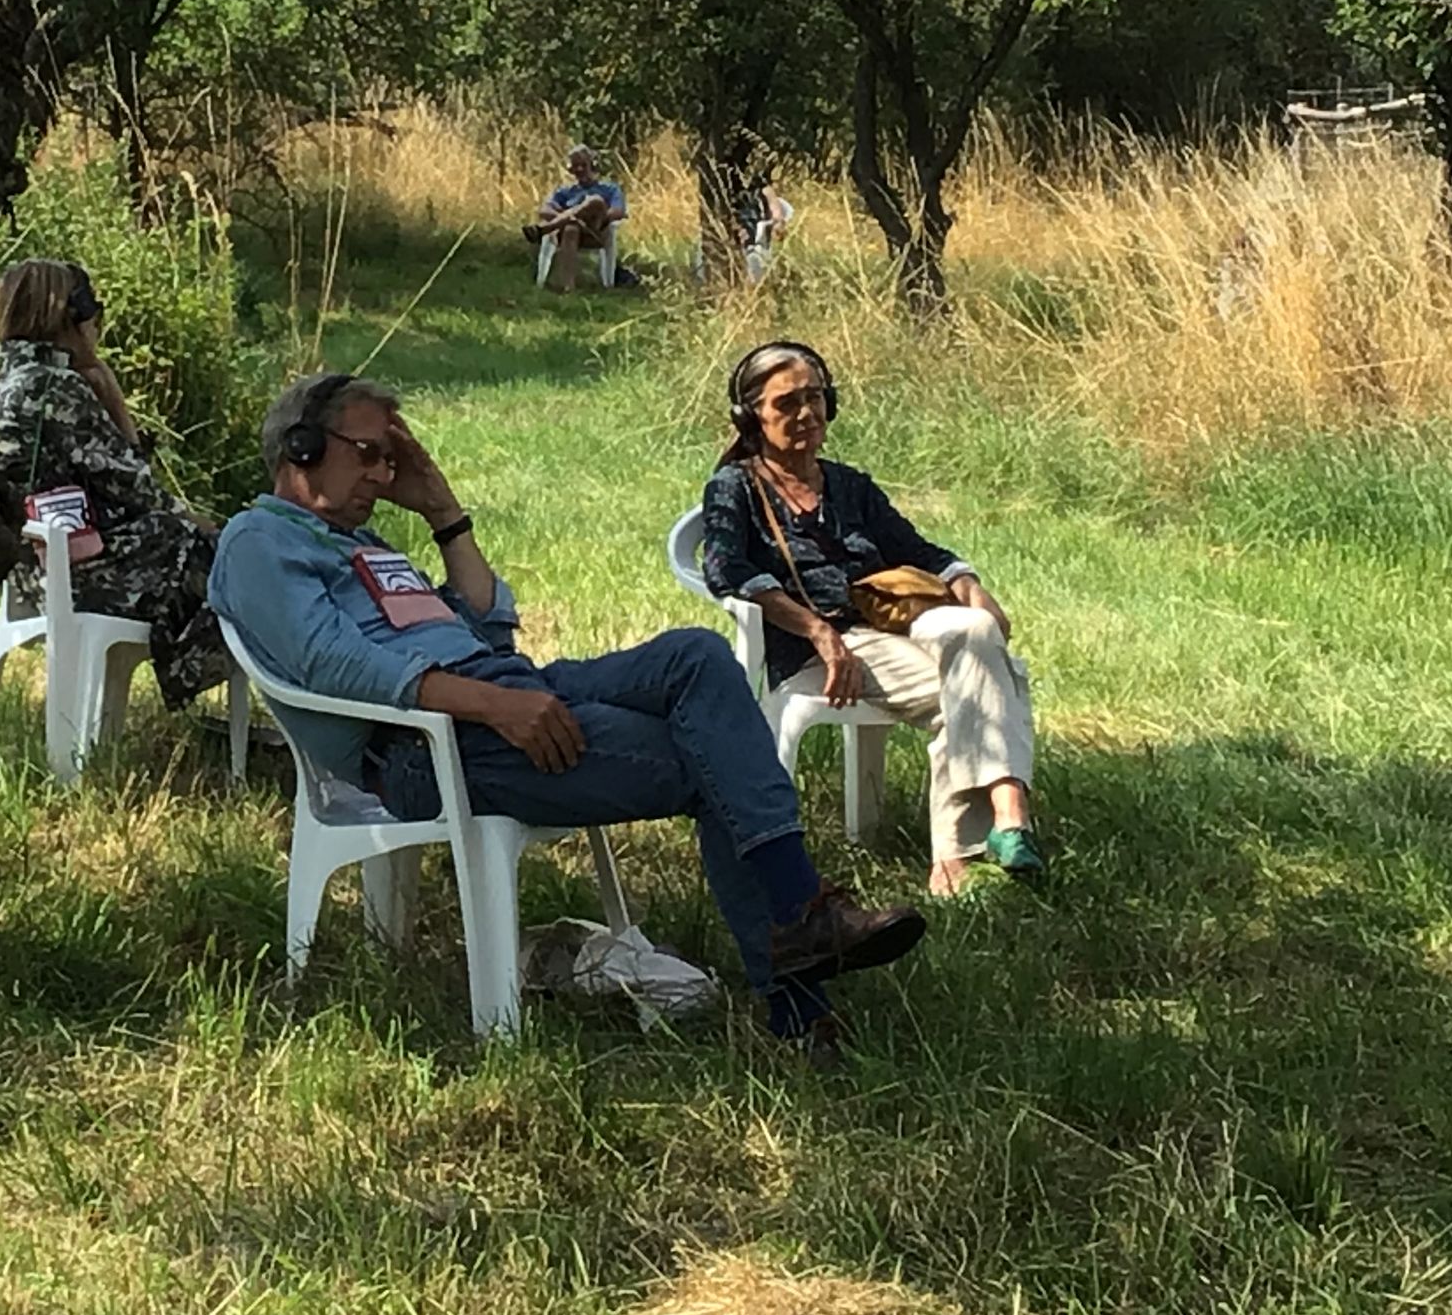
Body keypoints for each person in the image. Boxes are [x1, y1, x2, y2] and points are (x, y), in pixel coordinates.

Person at [209, 371, 928, 1049]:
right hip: (425, 747)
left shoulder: (362, 543)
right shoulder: (258, 540)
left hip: (501, 688)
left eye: (389, 460)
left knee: (695, 658)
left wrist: (444, 514)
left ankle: (800, 931)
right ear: (301, 450)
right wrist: (493, 705)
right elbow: (334, 662)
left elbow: (487, 627)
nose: (380, 475)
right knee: (715, 756)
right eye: (369, 455)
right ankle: (799, 989)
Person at [698, 341, 1043, 895]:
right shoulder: (736, 487)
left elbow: (918, 551)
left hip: (891, 622)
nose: (806, 414)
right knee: (987, 684)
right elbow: (724, 570)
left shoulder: (849, 485)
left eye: (815, 399)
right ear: (752, 416)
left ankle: (1006, 820)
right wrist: (819, 632)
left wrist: (971, 585)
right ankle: (965, 856)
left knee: (975, 632)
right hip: (815, 647)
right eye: (787, 403)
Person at [0, 259, 230, 711]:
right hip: (79, 576)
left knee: (211, 542)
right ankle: (237, 684)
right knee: (234, 556)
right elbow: (139, 490)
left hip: (34, 571)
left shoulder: (11, 383)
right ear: (71, 318)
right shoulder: (56, 391)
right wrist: (114, 401)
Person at [525, 144, 627, 292]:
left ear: (592, 165)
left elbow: (618, 211)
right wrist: (571, 218)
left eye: (583, 165)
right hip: (571, 229)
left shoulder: (609, 188)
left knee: (595, 201)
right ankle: (569, 287)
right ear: (571, 169)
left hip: (597, 229)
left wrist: (590, 215)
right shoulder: (565, 191)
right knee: (570, 230)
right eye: (575, 166)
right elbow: (544, 210)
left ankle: (544, 229)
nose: (579, 170)